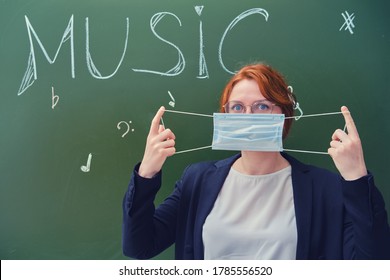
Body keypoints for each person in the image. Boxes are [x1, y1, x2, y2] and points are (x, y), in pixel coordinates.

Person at [122, 63, 390, 260]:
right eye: (237, 107)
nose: (247, 115)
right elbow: (139, 247)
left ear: (284, 115)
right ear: (225, 115)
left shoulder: (325, 188)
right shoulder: (198, 179)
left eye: (262, 106)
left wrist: (356, 177)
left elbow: (372, 263)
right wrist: (147, 172)